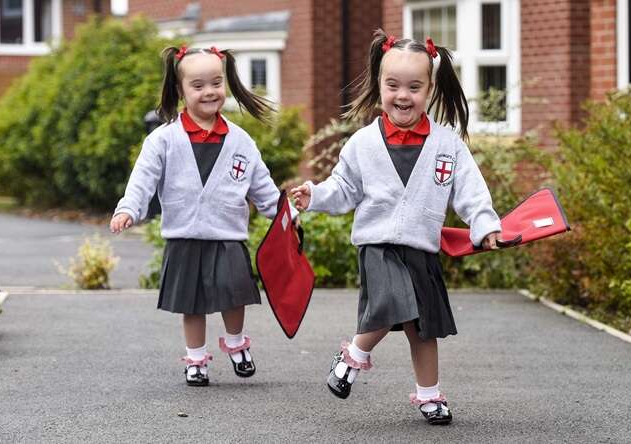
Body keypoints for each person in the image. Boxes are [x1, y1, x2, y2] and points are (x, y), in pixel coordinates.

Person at [291, 29, 503, 424]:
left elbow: (471, 192)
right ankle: (354, 353)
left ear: (431, 89)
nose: (402, 95)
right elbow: (344, 188)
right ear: (379, 85)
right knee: (392, 304)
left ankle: (429, 396)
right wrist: (315, 195)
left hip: (421, 248)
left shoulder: (447, 144)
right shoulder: (361, 144)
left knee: (423, 328)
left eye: (414, 87)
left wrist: (485, 225)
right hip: (378, 244)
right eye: (392, 86)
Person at [110, 45, 296, 386]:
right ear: (180, 90)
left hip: (227, 235)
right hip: (183, 235)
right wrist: (128, 209)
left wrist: (287, 216)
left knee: (234, 292)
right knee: (191, 304)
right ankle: (196, 360)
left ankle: (237, 343)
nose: (209, 91)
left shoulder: (241, 142)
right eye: (198, 85)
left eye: (216, 83)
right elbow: (142, 181)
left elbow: (264, 188)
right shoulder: (163, 140)